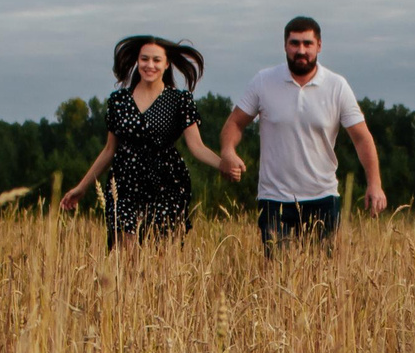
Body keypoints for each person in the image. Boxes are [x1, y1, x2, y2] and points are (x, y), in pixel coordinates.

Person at [218, 17, 386, 254]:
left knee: (321, 277)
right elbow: (235, 123)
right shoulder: (263, 81)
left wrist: (375, 184)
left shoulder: (337, 86)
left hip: (323, 197)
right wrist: (228, 151)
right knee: (278, 274)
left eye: (307, 44)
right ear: (285, 46)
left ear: (319, 45)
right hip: (274, 199)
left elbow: (362, 138)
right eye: (294, 43)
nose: (301, 50)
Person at [59, 35, 226, 247]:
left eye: (156, 60)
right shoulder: (118, 101)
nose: (150, 65)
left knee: (162, 260)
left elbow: (197, 147)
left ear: (166, 64)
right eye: (145, 59)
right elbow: (109, 150)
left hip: (168, 184)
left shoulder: (179, 100)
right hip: (124, 184)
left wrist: (223, 164)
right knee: (128, 260)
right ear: (137, 61)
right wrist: (82, 187)